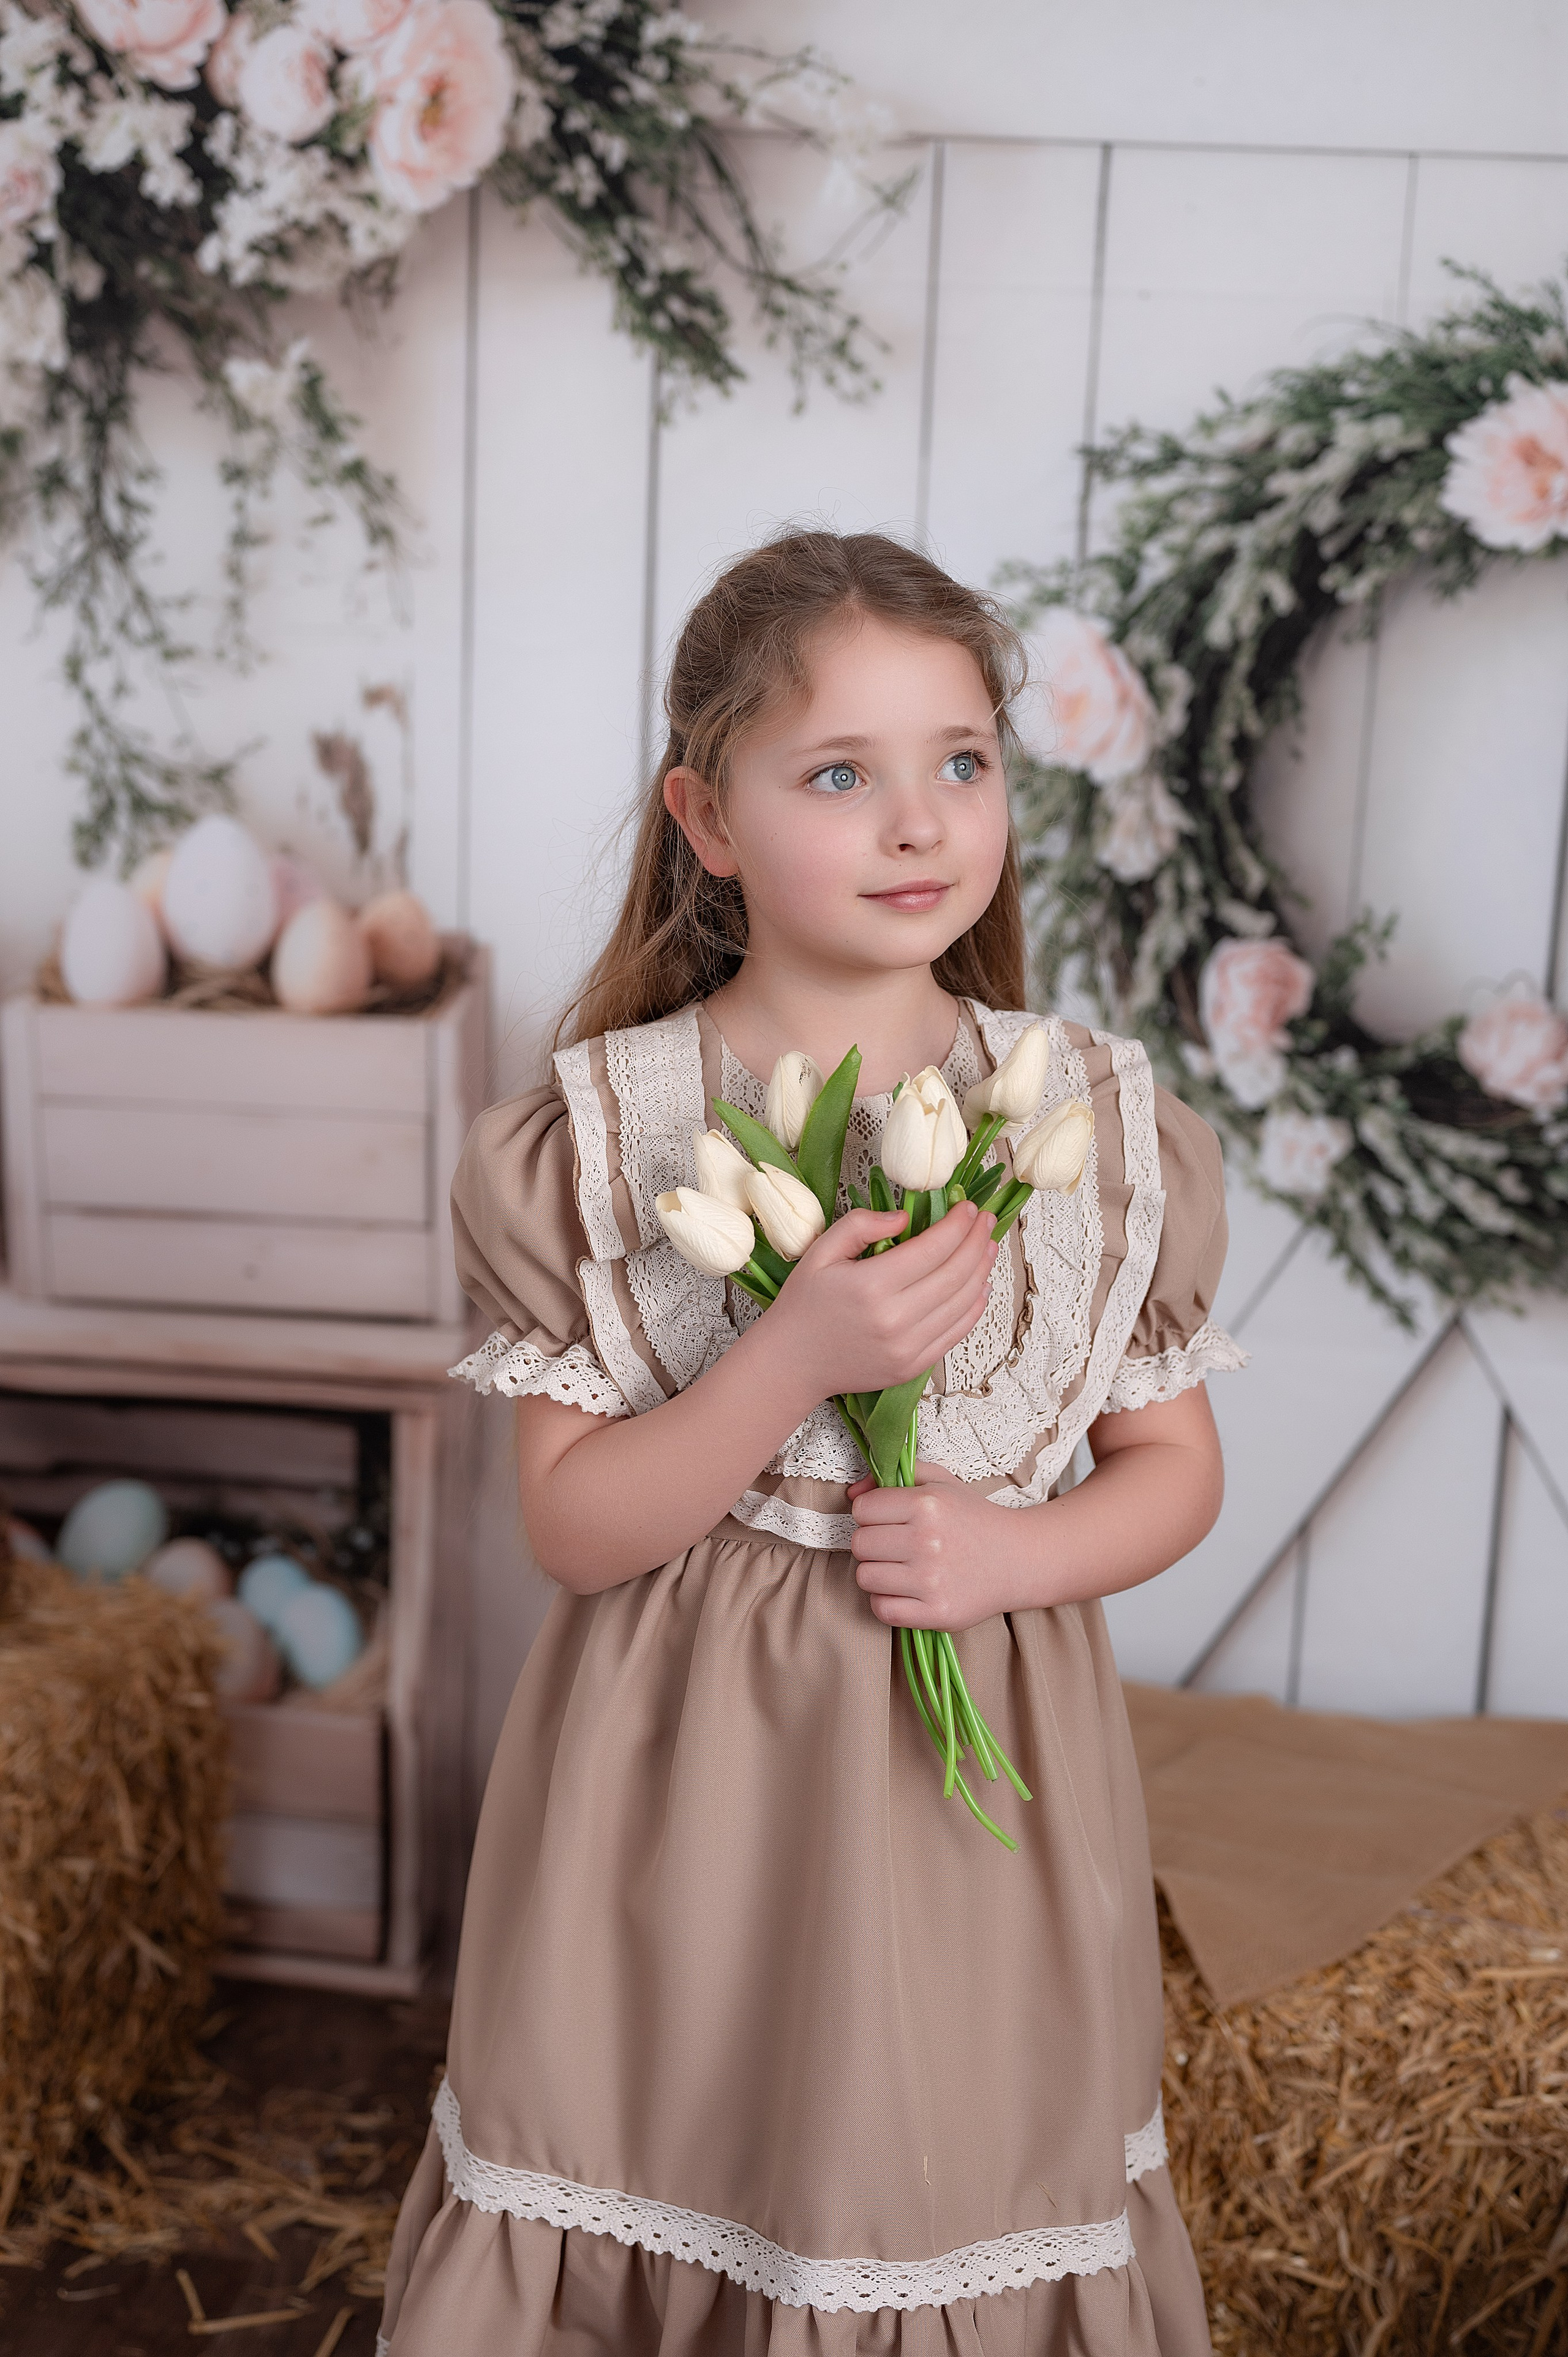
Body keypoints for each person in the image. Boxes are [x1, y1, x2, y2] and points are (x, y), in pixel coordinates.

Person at [378, 530, 1245, 2355]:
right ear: (707, 817)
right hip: (684, 1807)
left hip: (975, 1818)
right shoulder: (603, 1144)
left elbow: (1176, 1471)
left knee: (936, 2183)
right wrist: (793, 1358)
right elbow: (576, 1532)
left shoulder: (1083, 1124)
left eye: (964, 762)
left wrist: (1019, 1554)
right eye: (841, 774)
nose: (921, 823)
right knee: (690, 2161)